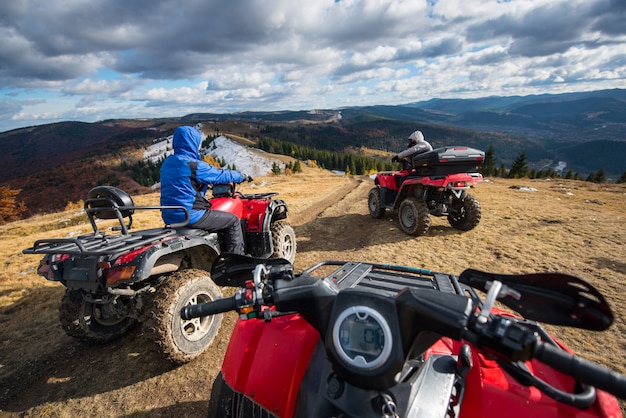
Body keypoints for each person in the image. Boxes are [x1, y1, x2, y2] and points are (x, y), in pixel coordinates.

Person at [160, 126, 251, 255]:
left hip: (170, 216)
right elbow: (220, 175)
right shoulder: (193, 165)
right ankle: (236, 260)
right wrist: (242, 176)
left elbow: (183, 183)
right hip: (191, 215)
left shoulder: (168, 162)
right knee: (233, 220)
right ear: (192, 142)